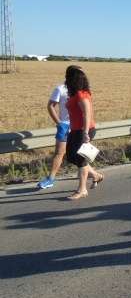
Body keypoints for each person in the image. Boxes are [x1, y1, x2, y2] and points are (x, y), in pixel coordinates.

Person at [64, 66, 104, 200]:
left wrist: (85, 133)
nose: (65, 78)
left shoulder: (81, 94)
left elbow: (87, 114)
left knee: (81, 159)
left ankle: (82, 190)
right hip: (75, 130)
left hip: (84, 130)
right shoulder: (75, 94)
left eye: (67, 76)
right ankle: (96, 175)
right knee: (71, 156)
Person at [37, 71, 72, 190]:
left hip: (78, 126)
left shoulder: (81, 89)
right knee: (59, 152)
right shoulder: (60, 89)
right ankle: (50, 179)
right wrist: (59, 123)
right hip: (65, 125)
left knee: (79, 153)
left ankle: (93, 174)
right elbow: (50, 105)